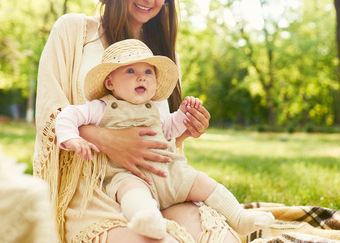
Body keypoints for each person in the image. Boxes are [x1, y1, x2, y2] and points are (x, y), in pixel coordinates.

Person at [33, 0, 249, 242]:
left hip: (161, 184)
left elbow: (158, 129)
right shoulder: (75, 31)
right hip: (95, 187)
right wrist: (108, 139)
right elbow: (49, 113)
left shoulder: (162, 55)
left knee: (220, 238)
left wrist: (186, 127)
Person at [55, 39, 275, 240]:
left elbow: (169, 129)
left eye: (148, 72)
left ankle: (239, 218)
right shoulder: (102, 107)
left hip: (170, 172)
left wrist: (184, 115)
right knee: (129, 191)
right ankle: (148, 220)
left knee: (203, 182)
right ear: (110, 83)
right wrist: (72, 138)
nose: (141, 77)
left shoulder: (153, 109)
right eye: (130, 71)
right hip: (131, 173)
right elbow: (68, 115)